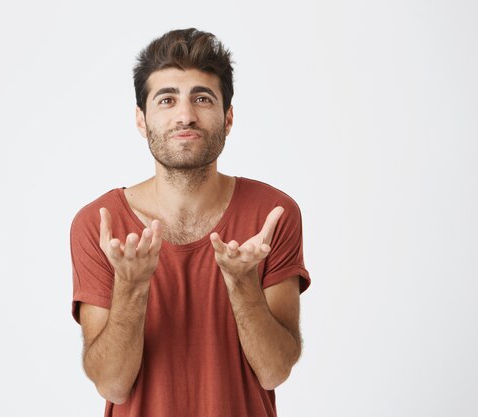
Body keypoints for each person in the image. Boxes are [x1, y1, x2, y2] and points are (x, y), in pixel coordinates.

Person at [70, 28, 311, 417]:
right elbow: (112, 382)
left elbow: (273, 371)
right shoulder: (99, 224)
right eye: (167, 99)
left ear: (228, 117)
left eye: (202, 98)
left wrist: (242, 284)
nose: (185, 115)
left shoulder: (273, 214)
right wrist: (131, 286)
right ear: (141, 120)